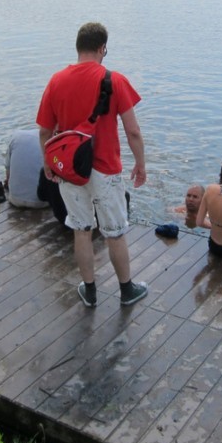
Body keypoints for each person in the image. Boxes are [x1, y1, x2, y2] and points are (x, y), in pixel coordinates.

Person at [37, 22, 147, 308]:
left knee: (81, 230)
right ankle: (126, 291)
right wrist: (140, 164)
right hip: (106, 168)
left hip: (70, 170)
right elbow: (133, 131)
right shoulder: (114, 80)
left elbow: (44, 131)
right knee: (114, 232)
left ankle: (90, 290)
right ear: (102, 48)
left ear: (78, 47)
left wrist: (48, 164)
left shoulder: (56, 80)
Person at [4, 129, 48, 209]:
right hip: (42, 203)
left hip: (15, 199)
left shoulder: (16, 136)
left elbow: (8, 173)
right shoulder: (50, 140)